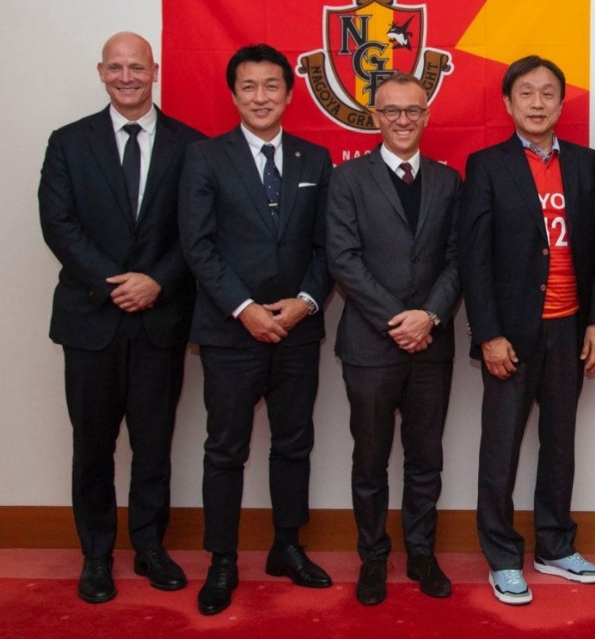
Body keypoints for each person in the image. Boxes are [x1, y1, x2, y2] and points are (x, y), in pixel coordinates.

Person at [38, 32, 204, 604]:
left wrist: (157, 280)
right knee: (93, 445)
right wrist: (116, 284)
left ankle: (150, 548)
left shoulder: (191, 146)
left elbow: (197, 231)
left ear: (155, 70)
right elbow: (59, 225)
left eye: (137, 66)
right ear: (101, 72)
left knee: (154, 444)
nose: (127, 76)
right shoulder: (68, 143)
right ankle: (96, 555)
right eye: (116, 67)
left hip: (161, 319)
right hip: (91, 319)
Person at [179, 44, 333, 616]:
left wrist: (305, 302)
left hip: (297, 330)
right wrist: (244, 308)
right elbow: (198, 245)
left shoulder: (314, 160)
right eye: (249, 87)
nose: (261, 97)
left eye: (272, 86)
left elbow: (326, 248)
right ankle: (223, 560)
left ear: (290, 93)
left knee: (294, 444)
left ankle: (287, 547)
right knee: (226, 449)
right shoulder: (204, 158)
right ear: (234, 94)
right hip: (229, 332)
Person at [458, 56, 595, 606]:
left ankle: (554, 545)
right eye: (527, 93)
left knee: (560, 443)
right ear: (508, 103)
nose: (538, 103)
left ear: (562, 102)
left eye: (548, 93)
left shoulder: (587, 164)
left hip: (569, 329)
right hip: (513, 335)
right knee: (500, 448)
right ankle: (501, 556)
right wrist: (488, 334)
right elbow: (474, 260)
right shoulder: (486, 165)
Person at [326, 72, 461, 606]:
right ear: (374, 117)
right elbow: (343, 260)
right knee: (371, 458)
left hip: (432, 346)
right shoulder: (347, 180)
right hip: (369, 345)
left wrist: (427, 316)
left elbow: (457, 260)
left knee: (427, 457)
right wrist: (398, 319)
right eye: (391, 111)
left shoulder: (449, 182)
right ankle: (373, 558)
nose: (402, 120)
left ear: (426, 115)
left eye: (413, 110)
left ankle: (422, 554)